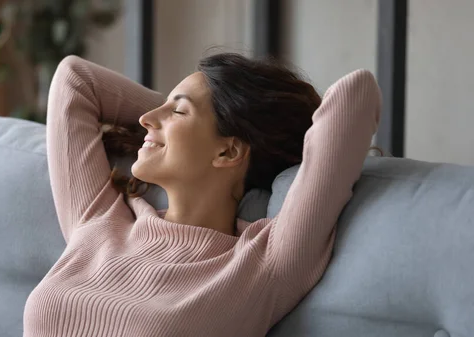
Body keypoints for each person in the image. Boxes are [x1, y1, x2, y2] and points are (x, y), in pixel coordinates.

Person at [23, 52, 381, 337]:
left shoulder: (263, 264)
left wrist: (232, 116)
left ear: (228, 152)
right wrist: (178, 122)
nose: (146, 117)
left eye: (177, 110)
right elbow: (75, 78)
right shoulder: (101, 223)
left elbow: (356, 94)